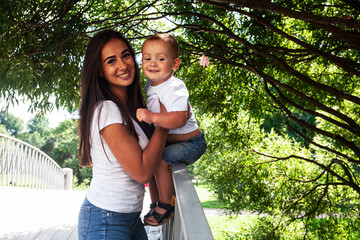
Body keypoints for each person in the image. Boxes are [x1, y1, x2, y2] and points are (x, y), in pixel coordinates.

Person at [77, 30, 169, 240]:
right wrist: (164, 121)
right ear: (100, 71)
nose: (123, 65)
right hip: (105, 219)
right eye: (111, 61)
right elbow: (143, 172)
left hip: (129, 217)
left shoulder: (131, 109)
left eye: (125, 55)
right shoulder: (106, 110)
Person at [136, 33, 207, 226]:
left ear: (175, 64)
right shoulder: (151, 83)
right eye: (147, 58)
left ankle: (166, 206)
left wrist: (152, 117)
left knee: (160, 161)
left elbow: (178, 118)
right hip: (173, 141)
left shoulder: (175, 87)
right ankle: (155, 202)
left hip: (191, 143)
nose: (153, 63)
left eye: (160, 59)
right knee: (150, 162)